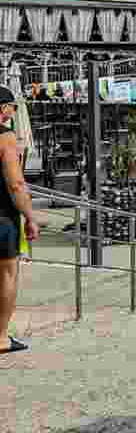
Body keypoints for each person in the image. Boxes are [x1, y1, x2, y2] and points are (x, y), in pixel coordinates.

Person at [0, 87, 38, 354]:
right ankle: (1, 337)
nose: (14, 111)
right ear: (3, 108)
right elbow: (15, 183)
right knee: (7, 274)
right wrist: (30, 217)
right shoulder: (5, 138)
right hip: (2, 218)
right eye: (12, 106)